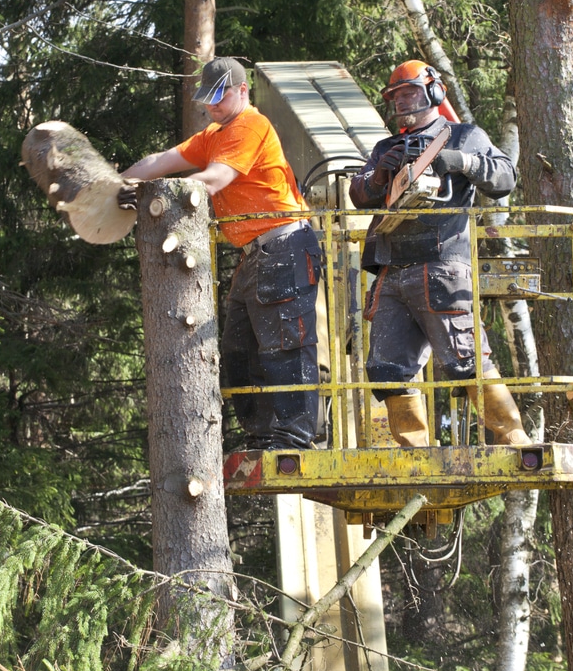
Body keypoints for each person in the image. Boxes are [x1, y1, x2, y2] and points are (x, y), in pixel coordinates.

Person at [119, 57, 322, 451]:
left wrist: (151, 195)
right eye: (207, 98)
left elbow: (215, 179)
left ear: (243, 91)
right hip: (256, 253)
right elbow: (160, 161)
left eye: (219, 96)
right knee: (239, 349)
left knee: (285, 343)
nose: (211, 105)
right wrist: (122, 183)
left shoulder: (251, 125)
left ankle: (294, 436)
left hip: (285, 245)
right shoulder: (214, 133)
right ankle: (263, 434)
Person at [350, 60, 531, 447]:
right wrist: (380, 174)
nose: (402, 102)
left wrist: (462, 162)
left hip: (442, 266)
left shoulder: (463, 135)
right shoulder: (386, 147)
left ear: (434, 92)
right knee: (387, 369)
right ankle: (416, 452)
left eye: (410, 93)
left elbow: (505, 178)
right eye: (397, 96)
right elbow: (359, 194)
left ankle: (512, 433)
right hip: (391, 271)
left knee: (464, 358)